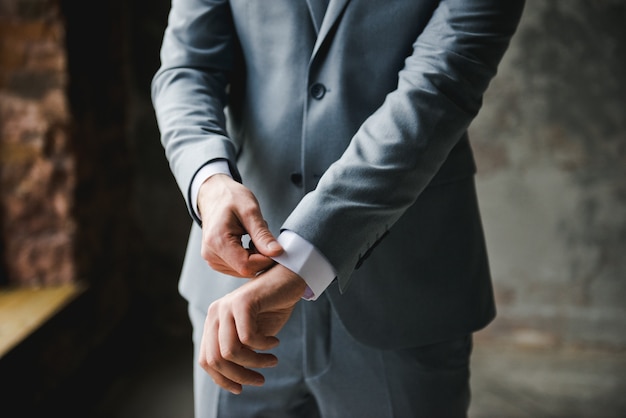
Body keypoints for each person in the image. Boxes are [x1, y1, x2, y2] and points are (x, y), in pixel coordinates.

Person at [152, 0, 525, 416]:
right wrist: (209, 180)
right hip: (234, 297)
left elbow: (440, 86)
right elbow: (187, 68)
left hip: (403, 287)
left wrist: (305, 256)